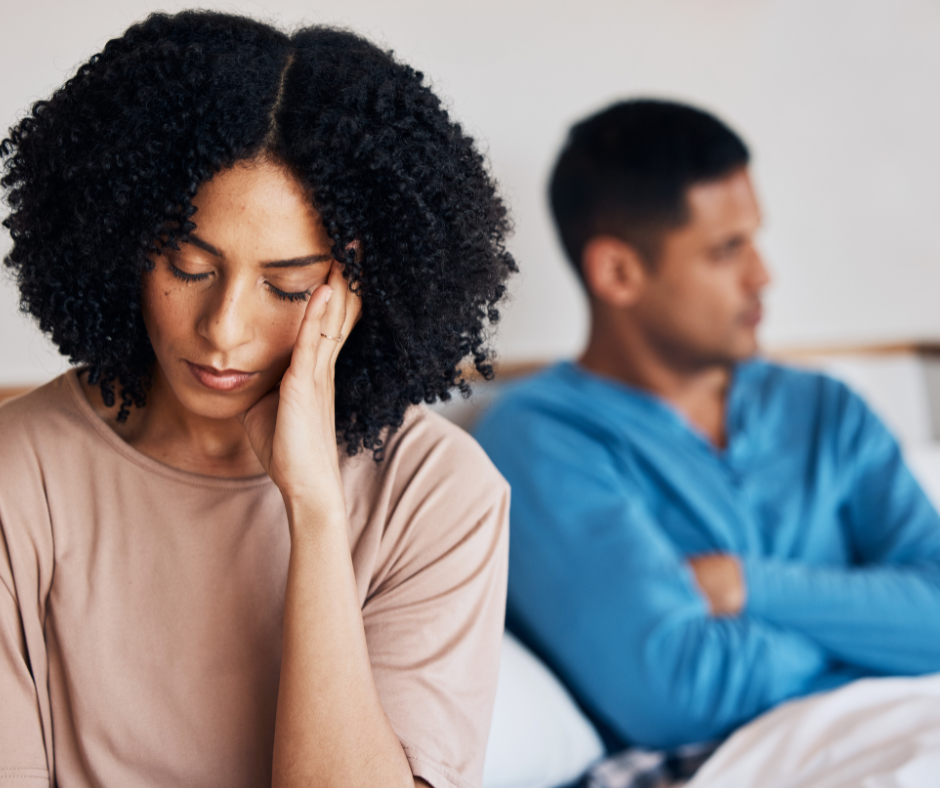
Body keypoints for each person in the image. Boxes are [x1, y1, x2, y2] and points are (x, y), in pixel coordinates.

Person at [0, 11, 515, 788]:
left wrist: (313, 508)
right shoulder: (19, 475)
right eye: (190, 265)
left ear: (359, 292)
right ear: (123, 239)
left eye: (289, 286)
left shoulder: (438, 495)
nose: (223, 331)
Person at [473, 99, 940, 752]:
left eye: (755, 238)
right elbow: (678, 692)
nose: (763, 275)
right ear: (617, 272)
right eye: (726, 250)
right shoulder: (539, 443)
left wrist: (745, 585)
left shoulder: (827, 410)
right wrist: (876, 630)